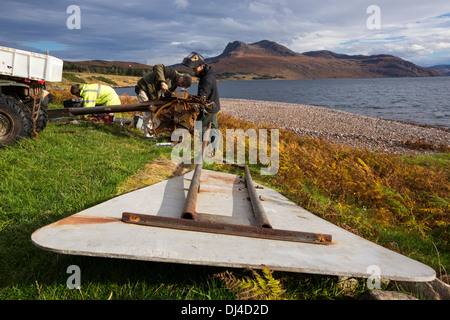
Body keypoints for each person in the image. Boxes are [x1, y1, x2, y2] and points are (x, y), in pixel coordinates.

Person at [136, 64, 192, 138]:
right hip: (143, 88)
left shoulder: (174, 85)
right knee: (148, 113)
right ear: (181, 76)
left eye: (182, 85)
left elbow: (166, 95)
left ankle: (153, 134)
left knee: (156, 114)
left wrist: (177, 94)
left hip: (151, 95)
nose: (180, 84)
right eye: (182, 82)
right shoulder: (172, 72)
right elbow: (157, 66)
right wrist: (162, 82)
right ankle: (147, 136)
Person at [182, 52, 220, 151]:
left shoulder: (207, 79)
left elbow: (202, 97)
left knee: (199, 127)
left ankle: (204, 150)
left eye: (195, 68)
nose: (193, 70)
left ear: (201, 66)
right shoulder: (207, 74)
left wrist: (190, 101)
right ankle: (214, 151)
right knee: (214, 130)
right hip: (214, 107)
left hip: (209, 108)